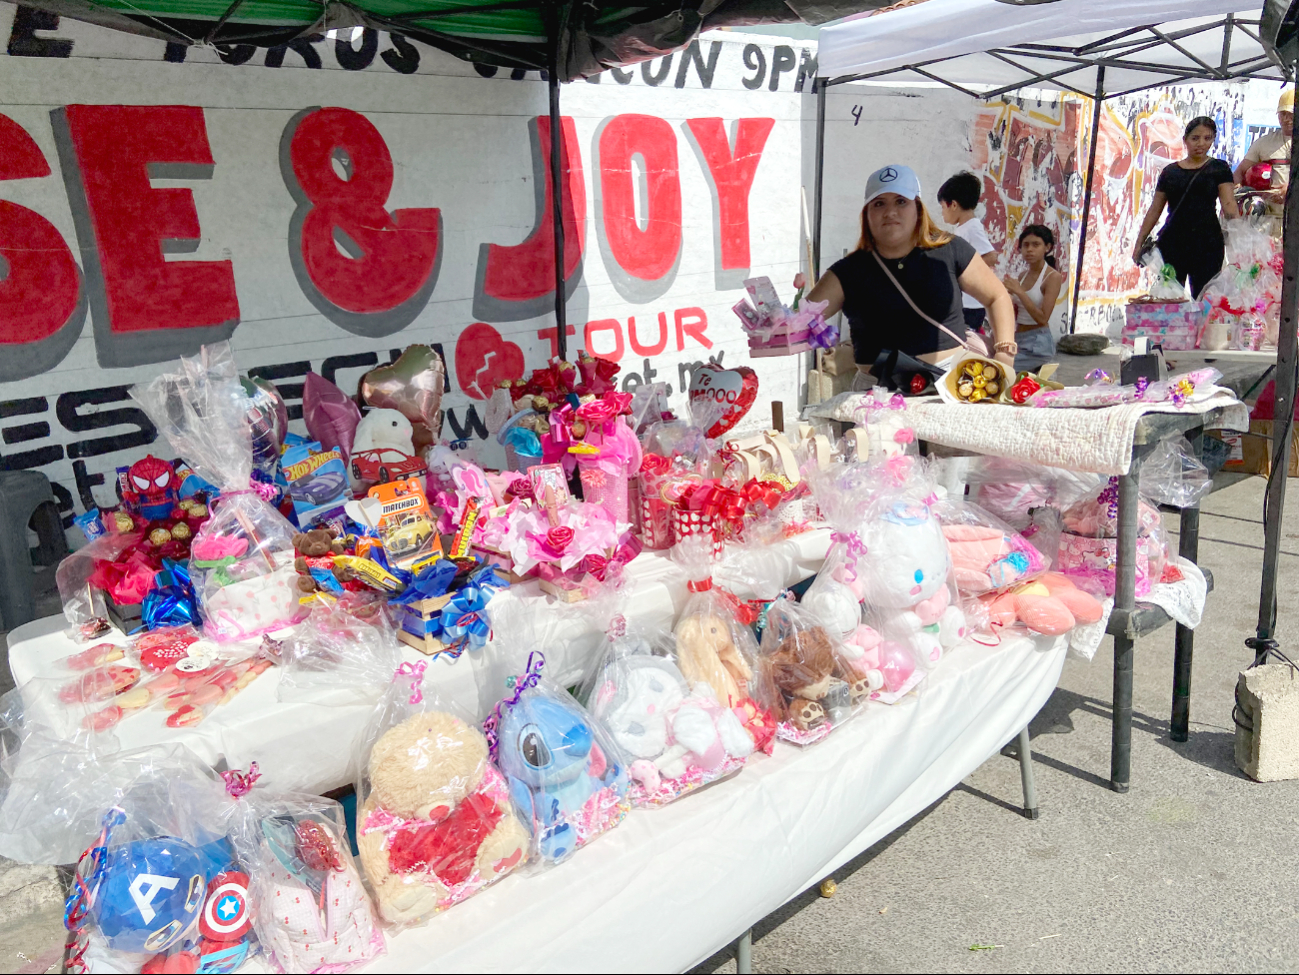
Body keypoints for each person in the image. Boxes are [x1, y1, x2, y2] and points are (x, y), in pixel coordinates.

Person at [807, 164, 1017, 378]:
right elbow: (799, 322)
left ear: (918, 209)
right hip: (876, 395)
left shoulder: (951, 249)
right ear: (867, 214)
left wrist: (1004, 357)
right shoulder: (848, 271)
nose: (890, 212)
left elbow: (996, 296)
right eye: (879, 203)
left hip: (949, 387)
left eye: (901, 202)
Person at [1131, 116, 1238, 298]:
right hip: (1173, 244)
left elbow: (1229, 205)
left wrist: (1240, 237)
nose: (1201, 143)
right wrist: (1139, 243)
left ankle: (1202, 328)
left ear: (1213, 139)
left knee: (1205, 299)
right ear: (1185, 140)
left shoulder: (1219, 169)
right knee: (1171, 300)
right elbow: (1155, 210)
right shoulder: (1170, 173)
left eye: (1207, 138)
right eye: (1195, 138)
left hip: (1208, 245)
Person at [938, 171, 998, 334]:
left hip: (970, 305)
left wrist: (962, 272)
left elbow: (991, 257)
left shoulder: (972, 227)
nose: (942, 213)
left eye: (943, 207)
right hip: (964, 302)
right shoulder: (963, 229)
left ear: (954, 205)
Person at [1002, 225, 1062, 372]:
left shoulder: (1052, 277)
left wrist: (1019, 292)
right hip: (1018, 338)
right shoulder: (1022, 276)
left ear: (1047, 247)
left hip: (1038, 343)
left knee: (1001, 370)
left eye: (1036, 245)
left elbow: (1043, 318)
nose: (1029, 250)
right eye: (1025, 245)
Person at [1235, 88, 1293, 227]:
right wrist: (1239, 191)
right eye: (1282, 114)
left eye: (1291, 114)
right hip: (1268, 221)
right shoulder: (1264, 143)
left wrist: (1291, 190)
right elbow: (1240, 171)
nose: (1286, 119)